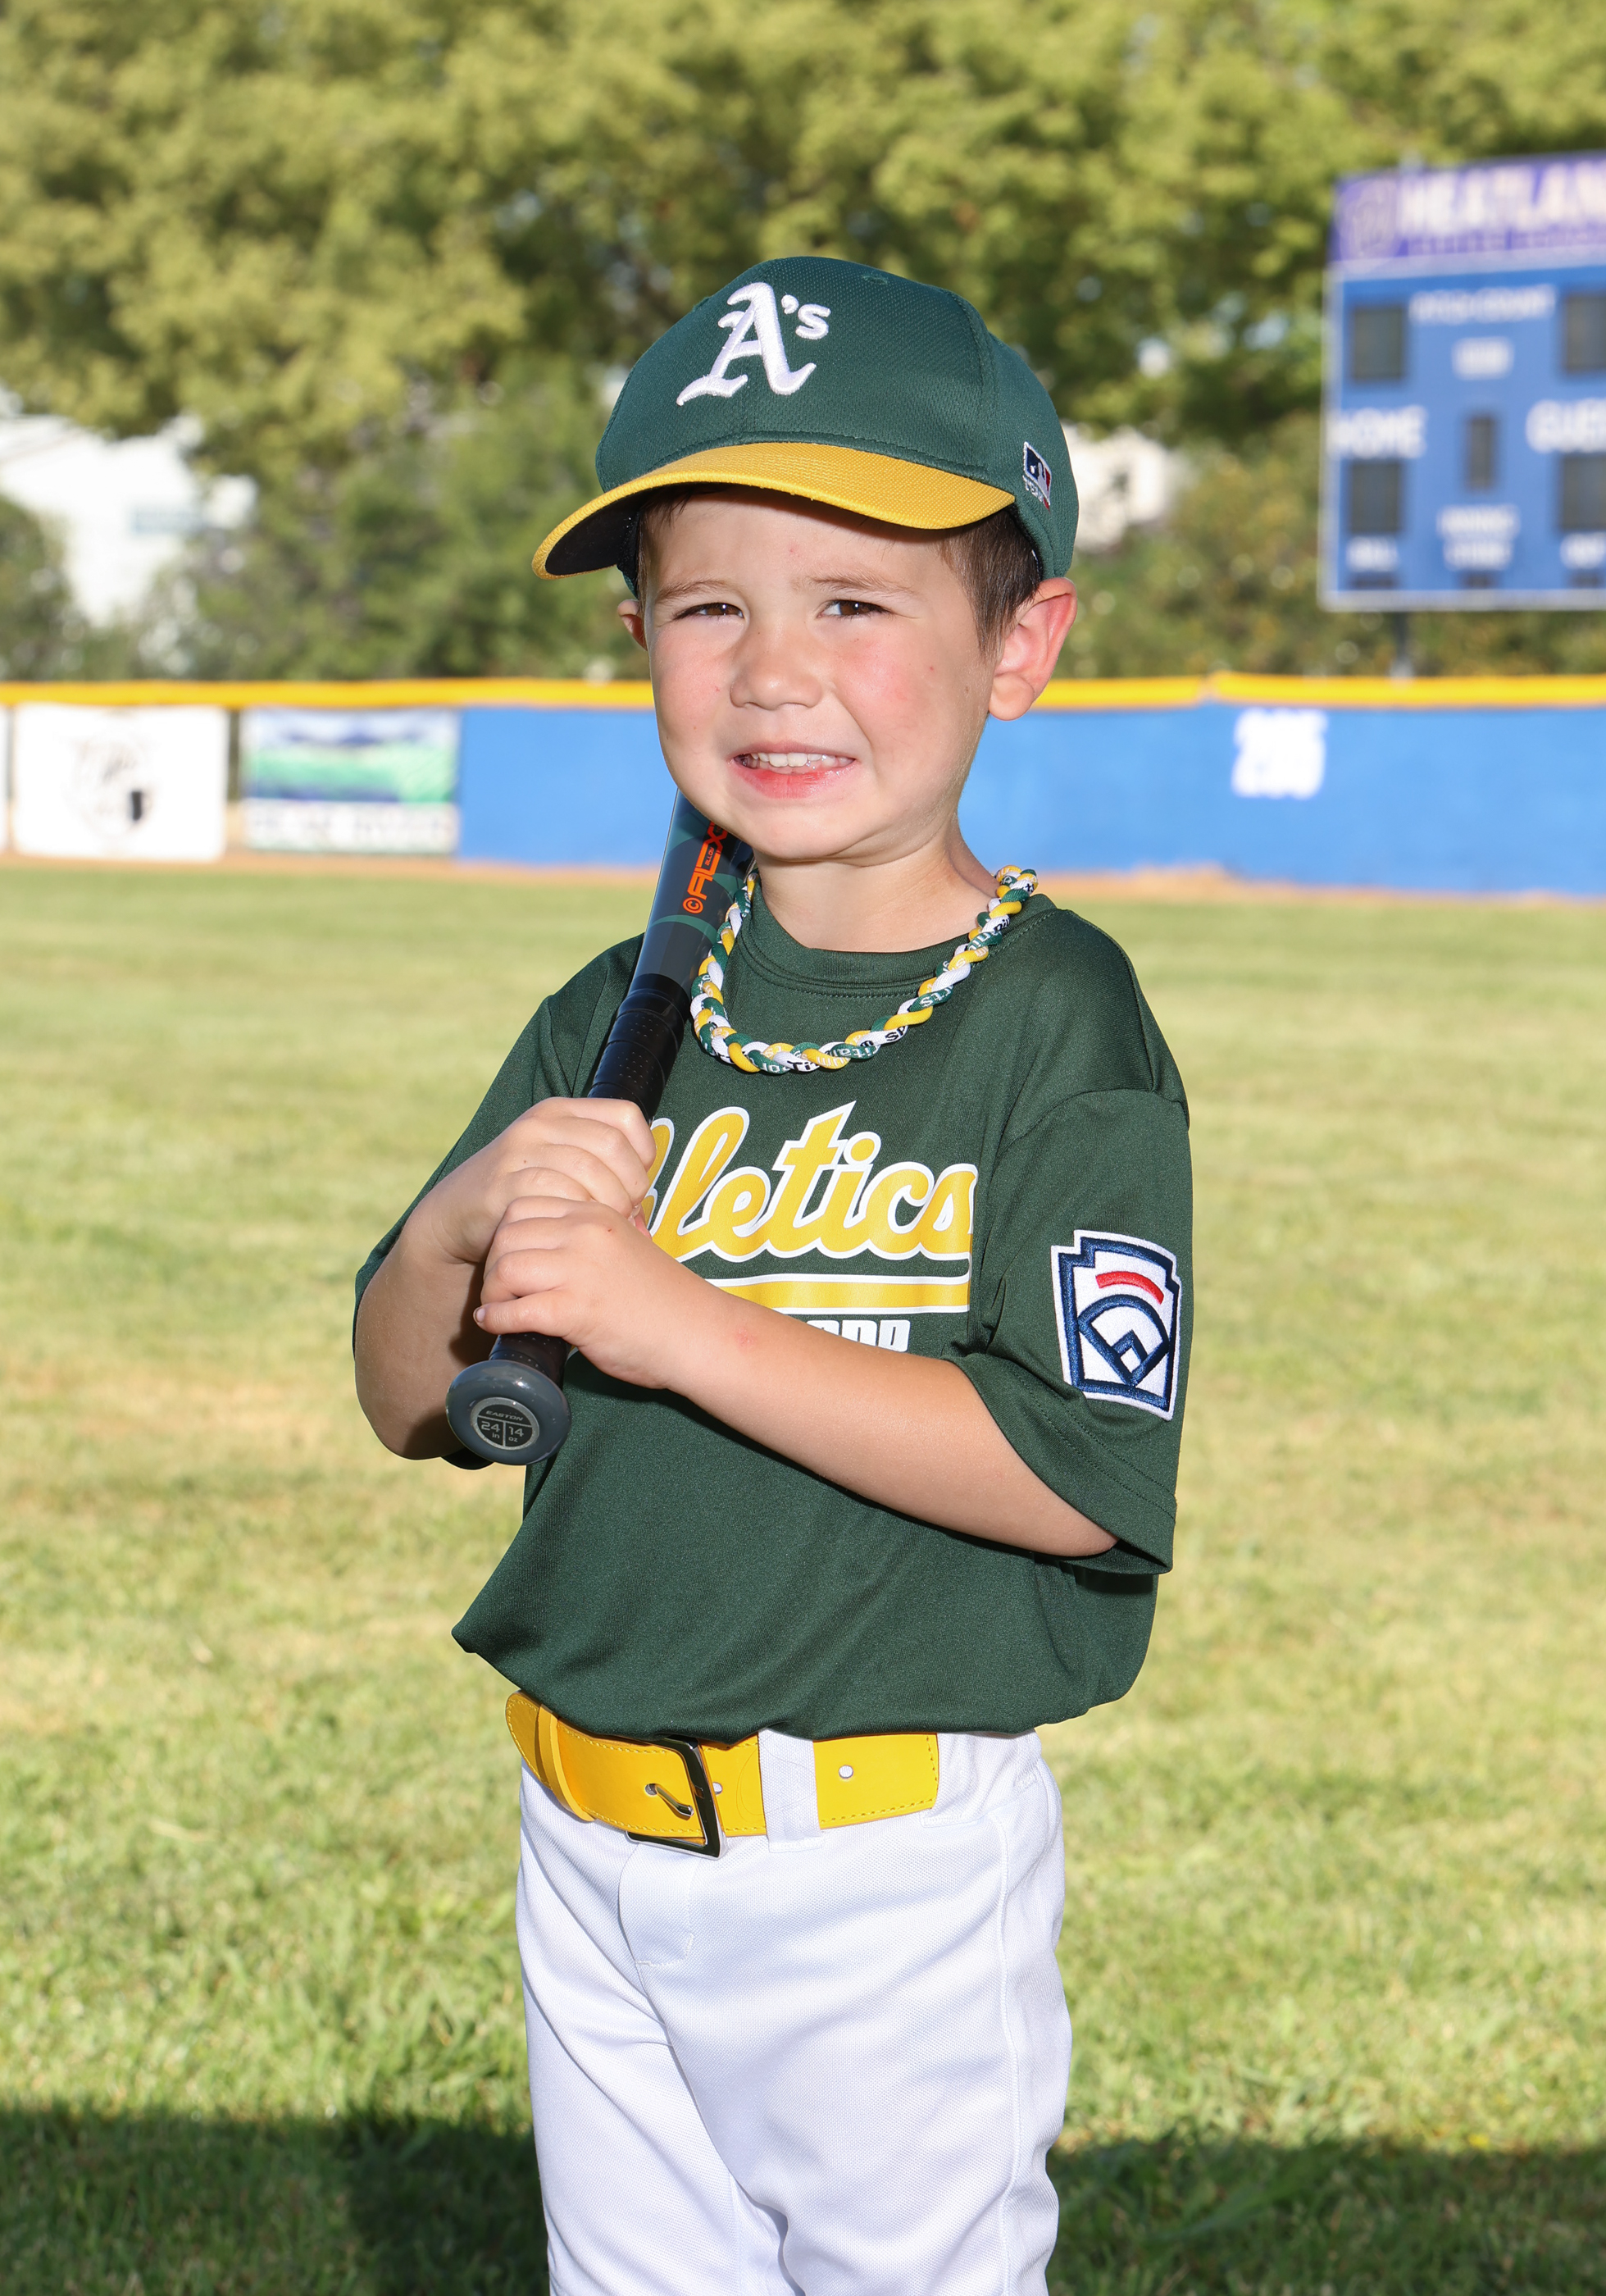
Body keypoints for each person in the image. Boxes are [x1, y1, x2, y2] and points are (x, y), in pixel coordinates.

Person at [353, 255, 1193, 2296]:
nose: (772, 673)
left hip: (878, 1862)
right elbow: (403, 1391)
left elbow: (1075, 1469)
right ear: (636, 637)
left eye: (856, 604)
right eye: (708, 607)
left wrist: (673, 1321)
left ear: (1021, 641)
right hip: (587, 1826)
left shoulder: (1057, 1016)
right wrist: (465, 1218)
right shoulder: (614, 1011)